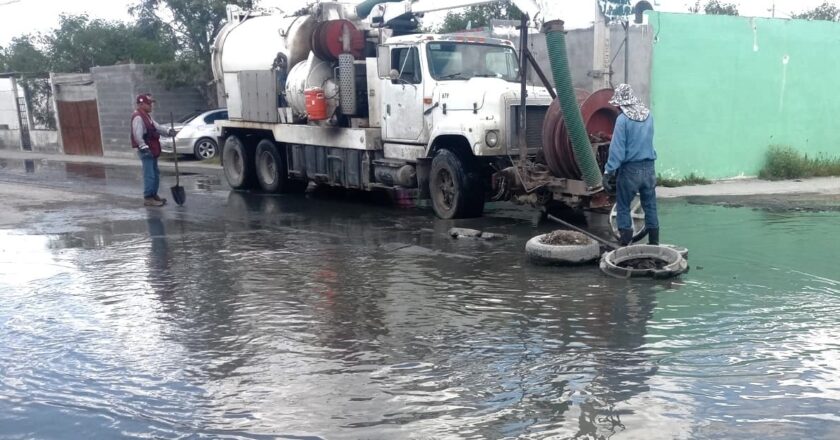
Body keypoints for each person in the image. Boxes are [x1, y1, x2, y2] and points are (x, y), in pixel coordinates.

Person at [602, 84, 659, 246]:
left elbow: (617, 149)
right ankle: (654, 244)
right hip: (649, 168)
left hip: (630, 170)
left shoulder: (622, 120)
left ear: (621, 103)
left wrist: (608, 172)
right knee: (650, 205)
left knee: (623, 205)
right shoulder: (648, 116)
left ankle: (625, 244)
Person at [131, 94, 175, 207]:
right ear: (141, 104)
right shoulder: (138, 117)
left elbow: (157, 127)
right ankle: (148, 197)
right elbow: (137, 134)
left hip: (152, 148)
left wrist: (168, 132)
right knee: (149, 174)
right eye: (149, 103)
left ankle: (154, 194)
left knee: (155, 173)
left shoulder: (147, 116)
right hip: (146, 150)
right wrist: (143, 146)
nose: (151, 106)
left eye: (151, 103)